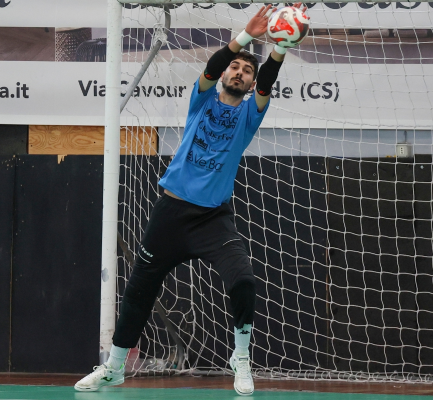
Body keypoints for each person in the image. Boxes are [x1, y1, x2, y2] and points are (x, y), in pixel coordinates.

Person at [75, 4, 302, 396]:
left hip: (213, 219)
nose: (240, 72)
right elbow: (213, 65)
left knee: (243, 281)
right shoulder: (202, 99)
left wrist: (280, 46)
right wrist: (245, 37)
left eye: (247, 71)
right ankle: (113, 368)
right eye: (236, 67)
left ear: (251, 84)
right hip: (171, 213)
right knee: (139, 290)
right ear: (225, 75)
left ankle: (241, 358)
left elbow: (268, 80)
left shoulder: (250, 115)